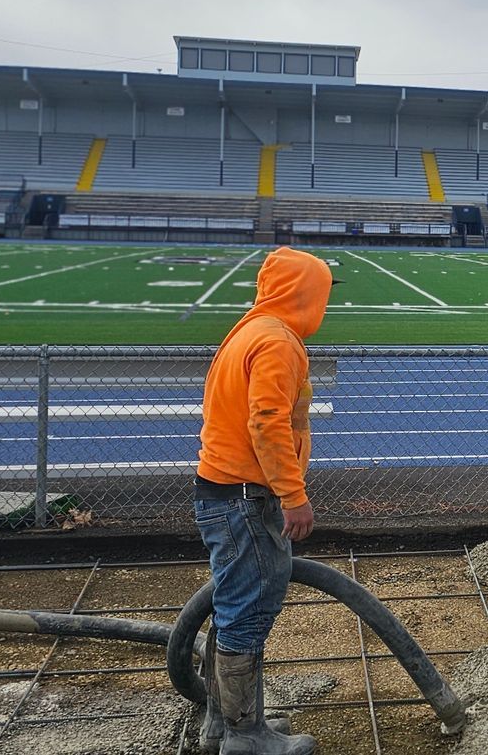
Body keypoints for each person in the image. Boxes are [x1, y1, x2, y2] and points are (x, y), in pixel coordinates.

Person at [193, 247, 334, 755]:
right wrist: (293, 495)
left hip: (225, 493)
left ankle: (220, 726)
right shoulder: (277, 341)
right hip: (246, 499)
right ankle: (245, 736)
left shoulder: (251, 331)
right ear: (302, 293)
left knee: (230, 608)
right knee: (246, 613)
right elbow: (267, 422)